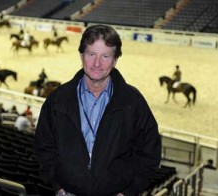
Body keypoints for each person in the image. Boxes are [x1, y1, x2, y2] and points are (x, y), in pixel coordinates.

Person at [35, 24, 161, 196]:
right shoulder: (57, 99)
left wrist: (129, 192)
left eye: (105, 56)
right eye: (91, 54)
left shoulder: (133, 101)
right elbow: (43, 146)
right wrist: (57, 185)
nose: (97, 63)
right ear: (81, 56)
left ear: (115, 60)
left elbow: (149, 152)